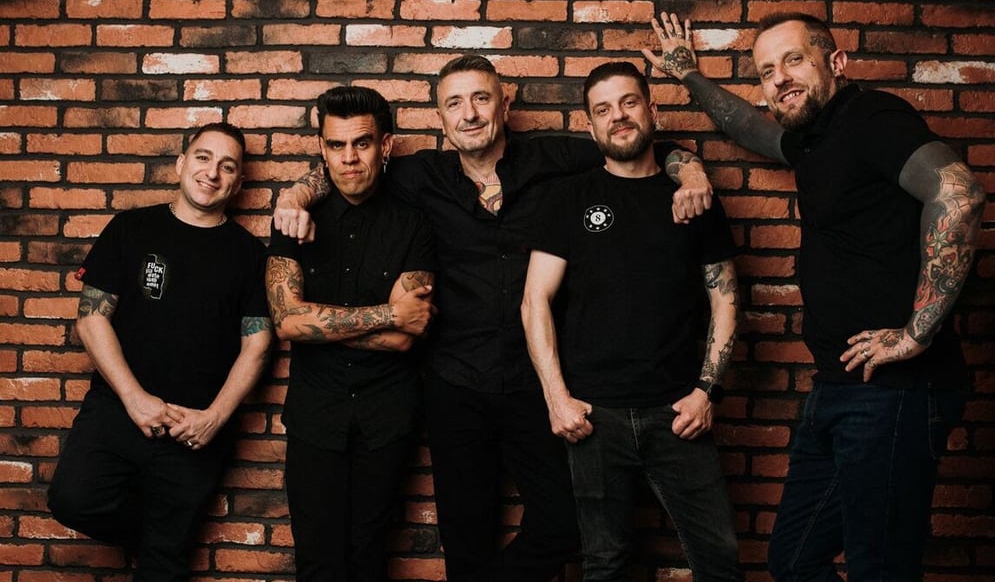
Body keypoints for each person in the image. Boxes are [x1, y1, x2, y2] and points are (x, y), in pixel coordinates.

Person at [273, 55, 714, 582]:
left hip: (537, 382)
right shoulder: (419, 175)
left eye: (481, 98)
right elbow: (345, 167)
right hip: (455, 384)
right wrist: (295, 195)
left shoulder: (555, 158)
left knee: (565, 523)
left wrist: (691, 172)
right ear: (440, 117)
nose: (470, 114)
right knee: (466, 538)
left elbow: (641, 145)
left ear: (504, 104)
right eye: (454, 103)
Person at [643, 12, 986, 581]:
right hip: (839, 387)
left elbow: (960, 195)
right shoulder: (814, 140)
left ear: (837, 62)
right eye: (766, 71)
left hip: (895, 391)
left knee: (881, 570)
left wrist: (916, 334)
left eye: (794, 60)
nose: (779, 78)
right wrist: (689, 77)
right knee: (795, 560)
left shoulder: (872, 118)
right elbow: (751, 129)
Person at [521, 61, 742, 582]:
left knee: (720, 559)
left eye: (628, 102)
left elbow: (726, 299)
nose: (617, 116)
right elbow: (534, 301)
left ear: (652, 110)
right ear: (590, 125)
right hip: (594, 417)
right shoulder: (568, 198)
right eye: (603, 110)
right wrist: (557, 399)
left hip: (678, 412)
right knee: (605, 564)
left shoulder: (693, 199)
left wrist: (706, 391)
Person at [47, 122, 273, 582]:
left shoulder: (249, 254)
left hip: (194, 430)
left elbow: (258, 343)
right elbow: (91, 319)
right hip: (117, 411)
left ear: (238, 184)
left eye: (227, 166)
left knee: (164, 566)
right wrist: (135, 399)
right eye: (203, 157)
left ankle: (160, 542)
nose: (212, 172)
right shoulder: (131, 228)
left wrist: (213, 418)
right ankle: (153, 535)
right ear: (180, 164)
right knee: (73, 500)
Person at [265, 86, 436, 582]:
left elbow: (408, 334)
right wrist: (386, 314)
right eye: (336, 145)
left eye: (361, 143)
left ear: (385, 145)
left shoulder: (414, 223)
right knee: (317, 563)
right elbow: (287, 322)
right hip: (315, 417)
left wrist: (318, 325)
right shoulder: (293, 220)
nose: (349, 158)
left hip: (387, 418)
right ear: (322, 148)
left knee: (368, 560)